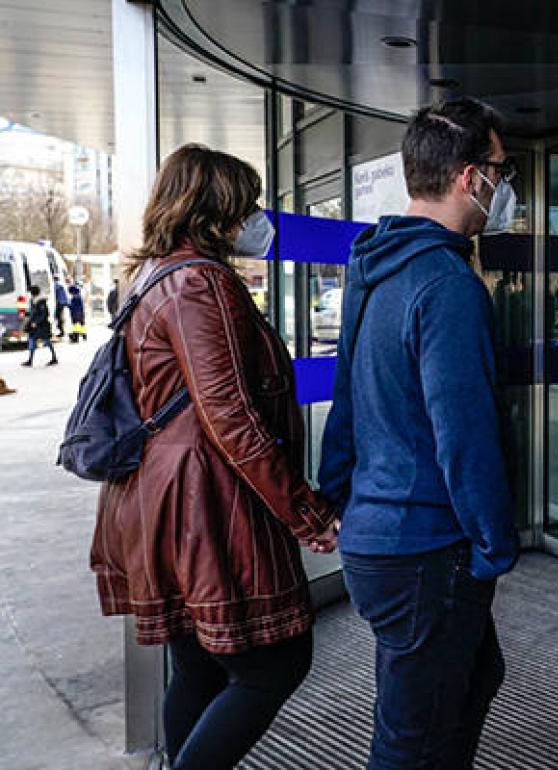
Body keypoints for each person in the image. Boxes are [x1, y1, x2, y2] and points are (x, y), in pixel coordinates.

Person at [89, 144, 339, 769]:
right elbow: (231, 416)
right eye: (248, 205)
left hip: (162, 496)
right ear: (218, 213)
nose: (257, 219)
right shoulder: (199, 283)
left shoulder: (155, 275)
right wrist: (305, 511)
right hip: (204, 504)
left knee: (198, 669)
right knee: (275, 664)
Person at [319, 97, 519, 769]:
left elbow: (347, 396)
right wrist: (494, 543)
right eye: (500, 170)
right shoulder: (447, 284)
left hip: (381, 540)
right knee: (414, 741)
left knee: (471, 680)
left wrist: (335, 495)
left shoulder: (375, 267)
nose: (504, 186)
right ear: (470, 177)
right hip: (427, 550)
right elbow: (464, 430)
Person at [21, 285, 57, 367]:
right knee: (32, 341)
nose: (30, 294)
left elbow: (44, 314)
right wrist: (26, 314)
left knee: (47, 341)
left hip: (42, 326)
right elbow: (33, 312)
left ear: (33, 293)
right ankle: (30, 360)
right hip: (34, 326)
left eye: (31, 292)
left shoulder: (41, 301)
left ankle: (54, 358)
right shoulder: (33, 300)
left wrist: (36, 322)